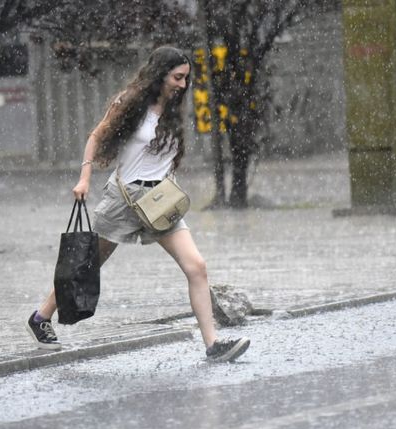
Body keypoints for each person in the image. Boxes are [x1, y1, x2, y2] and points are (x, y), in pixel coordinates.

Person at [25, 46, 250, 362]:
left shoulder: (172, 109)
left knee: (197, 267)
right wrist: (84, 179)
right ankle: (40, 318)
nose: (183, 85)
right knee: (87, 265)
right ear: (160, 73)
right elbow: (96, 137)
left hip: (160, 203)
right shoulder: (130, 102)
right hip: (125, 200)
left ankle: (213, 345)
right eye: (177, 77)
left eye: (186, 78)